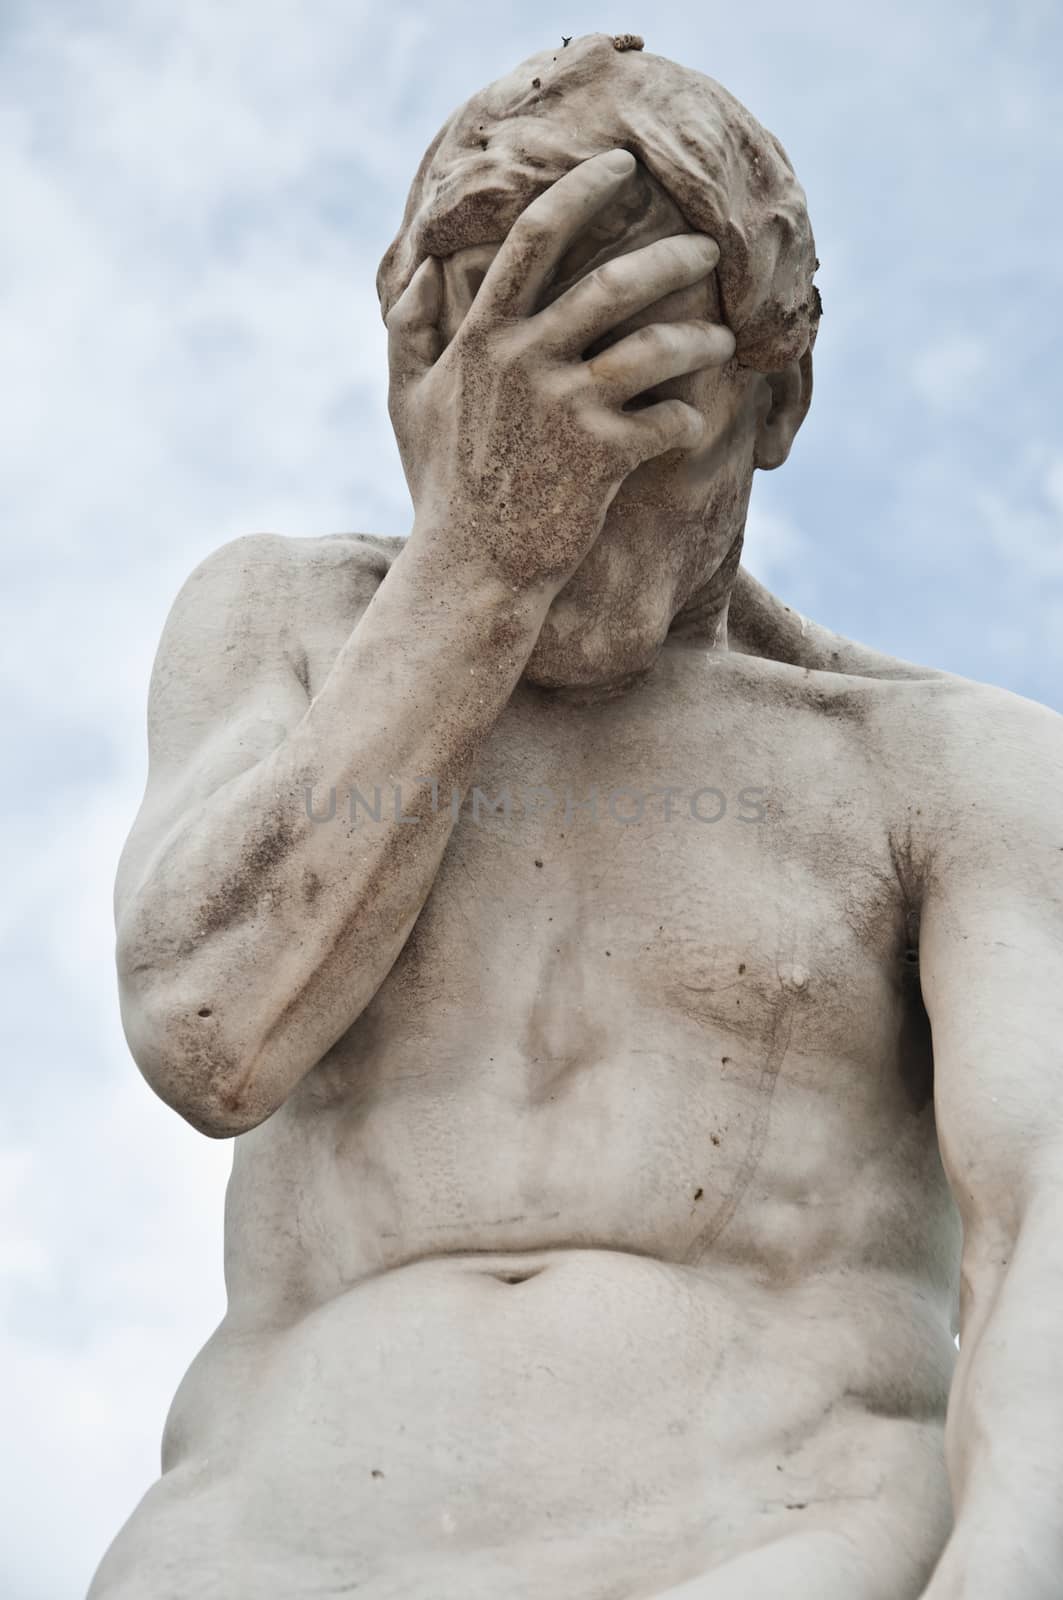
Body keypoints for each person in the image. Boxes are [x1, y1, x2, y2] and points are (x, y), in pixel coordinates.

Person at [89, 33, 1063, 1600]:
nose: (581, 495)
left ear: (779, 398)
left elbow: (1047, 1249)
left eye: (647, 411)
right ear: (429, 382)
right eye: (531, 416)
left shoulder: (942, 774)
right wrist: (480, 555)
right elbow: (208, 1032)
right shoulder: (285, 622)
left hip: (771, 1551)